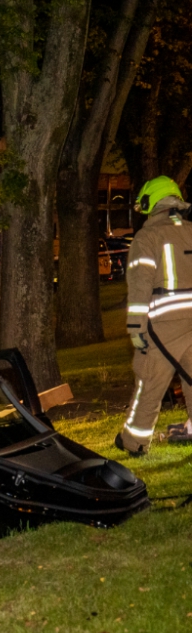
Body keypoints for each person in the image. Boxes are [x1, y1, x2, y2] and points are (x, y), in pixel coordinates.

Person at [117, 175, 192, 456]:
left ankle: (134, 443)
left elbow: (140, 285)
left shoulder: (147, 237)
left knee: (149, 384)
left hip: (163, 326)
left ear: (151, 203)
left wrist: (136, 328)